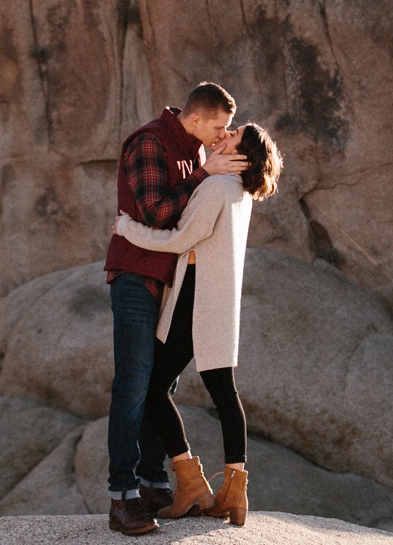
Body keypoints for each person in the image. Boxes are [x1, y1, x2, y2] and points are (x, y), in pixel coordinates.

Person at [114, 122, 283, 528]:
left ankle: (190, 480)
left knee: (153, 388)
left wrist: (126, 228)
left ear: (242, 155)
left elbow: (178, 239)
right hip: (216, 302)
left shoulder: (218, 187)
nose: (222, 136)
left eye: (233, 134)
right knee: (224, 391)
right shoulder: (241, 193)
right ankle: (235, 490)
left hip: (194, 297)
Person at [104, 82, 248, 536]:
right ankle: (122, 497)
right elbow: (151, 213)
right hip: (134, 279)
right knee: (133, 385)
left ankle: (153, 484)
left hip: (166, 285)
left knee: (155, 384)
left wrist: (207, 171)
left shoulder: (195, 153)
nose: (221, 135)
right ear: (199, 118)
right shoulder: (152, 141)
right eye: (219, 127)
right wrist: (204, 175)